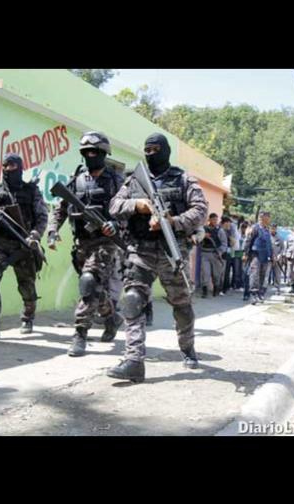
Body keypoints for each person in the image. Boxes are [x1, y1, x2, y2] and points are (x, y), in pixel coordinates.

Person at [105, 132, 208, 383]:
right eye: (147, 150)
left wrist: (173, 222)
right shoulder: (134, 182)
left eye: (155, 150)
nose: (151, 154)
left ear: (166, 151)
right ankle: (134, 361)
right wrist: (137, 205)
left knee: (181, 305)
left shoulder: (183, 179)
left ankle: (187, 348)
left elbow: (201, 209)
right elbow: (114, 206)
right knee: (132, 300)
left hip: (171, 251)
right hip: (140, 250)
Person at [47, 132, 125, 356]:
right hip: (82, 242)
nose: (90, 156)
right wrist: (53, 230)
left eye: (95, 152)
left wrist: (115, 225)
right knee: (93, 289)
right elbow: (61, 207)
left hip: (105, 242)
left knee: (89, 283)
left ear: (103, 154)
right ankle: (112, 318)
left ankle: (80, 334)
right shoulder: (77, 178)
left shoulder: (115, 181)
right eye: (86, 152)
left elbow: (126, 211)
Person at [0, 153, 48, 342]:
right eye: (4, 166)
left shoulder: (31, 191)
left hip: (24, 245)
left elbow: (42, 217)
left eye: (11, 166)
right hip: (0, 244)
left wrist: (35, 236)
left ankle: (27, 317)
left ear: (19, 168)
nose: (6, 169)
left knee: (27, 287)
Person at [242, 211, 274, 304]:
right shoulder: (255, 228)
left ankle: (259, 293)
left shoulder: (266, 229)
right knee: (254, 274)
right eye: (268, 217)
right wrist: (245, 253)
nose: (269, 219)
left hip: (265, 256)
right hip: (255, 255)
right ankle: (253, 294)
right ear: (262, 217)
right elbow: (248, 241)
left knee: (262, 275)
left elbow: (269, 244)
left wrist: (272, 255)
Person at [198, 213, 228, 298]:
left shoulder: (220, 231)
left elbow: (224, 243)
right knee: (205, 273)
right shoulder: (204, 229)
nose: (215, 221)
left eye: (216, 220)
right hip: (205, 253)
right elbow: (197, 238)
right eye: (213, 219)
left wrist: (220, 251)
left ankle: (216, 288)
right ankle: (204, 291)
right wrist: (203, 236)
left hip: (215, 254)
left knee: (216, 274)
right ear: (209, 220)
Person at [220, 216, 236, 294]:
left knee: (227, 271)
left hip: (228, 252)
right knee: (222, 271)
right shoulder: (220, 230)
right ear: (225, 222)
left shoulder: (229, 231)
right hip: (221, 252)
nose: (230, 224)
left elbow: (233, 243)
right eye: (229, 222)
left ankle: (225, 288)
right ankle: (221, 288)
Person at [269, 223, 286, 294]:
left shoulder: (280, 237)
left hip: (277, 259)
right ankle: (263, 289)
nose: (273, 229)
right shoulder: (267, 236)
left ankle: (277, 288)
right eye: (272, 228)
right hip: (269, 258)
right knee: (266, 274)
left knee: (277, 274)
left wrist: (279, 255)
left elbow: (283, 248)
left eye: (274, 228)